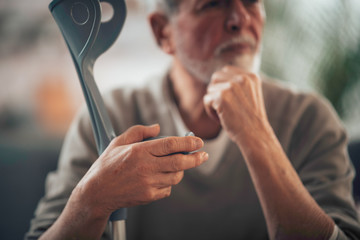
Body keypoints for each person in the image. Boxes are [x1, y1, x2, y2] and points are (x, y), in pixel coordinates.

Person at [26, 0, 360, 239]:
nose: (240, 19)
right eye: (213, 4)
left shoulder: (310, 119)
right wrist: (91, 203)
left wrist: (257, 134)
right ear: (163, 32)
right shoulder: (104, 118)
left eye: (252, 2)